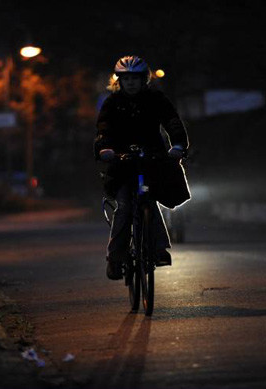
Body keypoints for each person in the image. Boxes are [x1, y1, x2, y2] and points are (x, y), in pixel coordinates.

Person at [94, 55, 190, 280]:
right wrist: (104, 149)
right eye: (126, 78)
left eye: (135, 78)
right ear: (119, 80)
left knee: (149, 199)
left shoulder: (156, 99)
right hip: (121, 163)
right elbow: (103, 129)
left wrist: (177, 145)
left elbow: (172, 122)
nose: (131, 83)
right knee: (125, 206)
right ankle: (115, 258)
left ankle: (158, 250)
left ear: (144, 79)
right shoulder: (112, 103)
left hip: (152, 159)